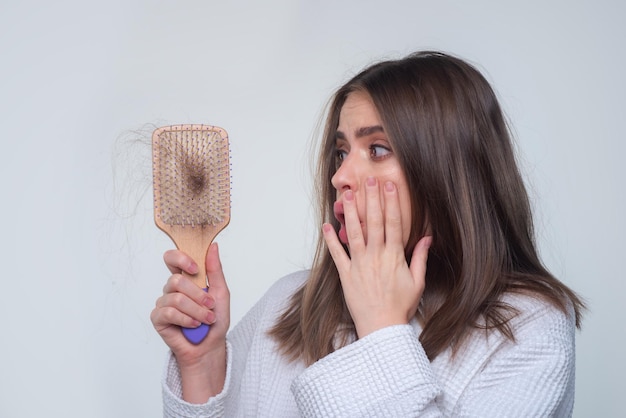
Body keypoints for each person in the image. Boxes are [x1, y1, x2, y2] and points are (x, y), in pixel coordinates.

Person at [151, 50, 584, 417]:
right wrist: (203, 366)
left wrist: (380, 329)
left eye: (376, 149)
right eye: (341, 151)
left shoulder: (530, 329)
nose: (341, 175)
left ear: (452, 172)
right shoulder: (287, 301)